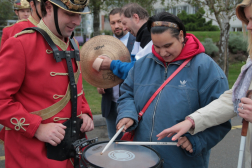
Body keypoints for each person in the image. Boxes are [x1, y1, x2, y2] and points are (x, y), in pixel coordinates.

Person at [116, 12, 231, 168]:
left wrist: (197, 141)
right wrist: (127, 113)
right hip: (141, 159)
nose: (163, 52)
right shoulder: (142, 64)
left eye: (168, 45)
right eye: (156, 46)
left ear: (181, 36)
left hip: (182, 161)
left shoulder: (205, 67)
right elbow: (126, 94)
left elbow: (221, 116)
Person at [156, 1, 252, 167]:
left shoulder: (204, 65)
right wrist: (192, 121)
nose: (248, 27)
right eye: (248, 20)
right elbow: (235, 97)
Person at [0, 0, 93, 167]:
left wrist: (84, 112)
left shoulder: (72, 43)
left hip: (70, 151)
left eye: (79, 15)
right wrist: (36, 128)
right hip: (33, 155)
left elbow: (75, 85)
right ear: (49, 8)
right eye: (70, 14)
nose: (77, 22)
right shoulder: (20, 43)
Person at [97, 8, 135, 140]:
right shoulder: (104, 44)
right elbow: (97, 66)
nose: (117, 26)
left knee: (130, 144)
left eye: (119, 21)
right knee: (113, 144)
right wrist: (98, 82)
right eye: (113, 23)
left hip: (130, 103)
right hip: (110, 103)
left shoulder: (136, 41)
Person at [98, 3, 152, 80]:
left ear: (136, 18)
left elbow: (137, 70)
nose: (124, 28)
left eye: (124, 23)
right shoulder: (142, 35)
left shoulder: (149, 35)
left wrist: (112, 64)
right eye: (113, 23)